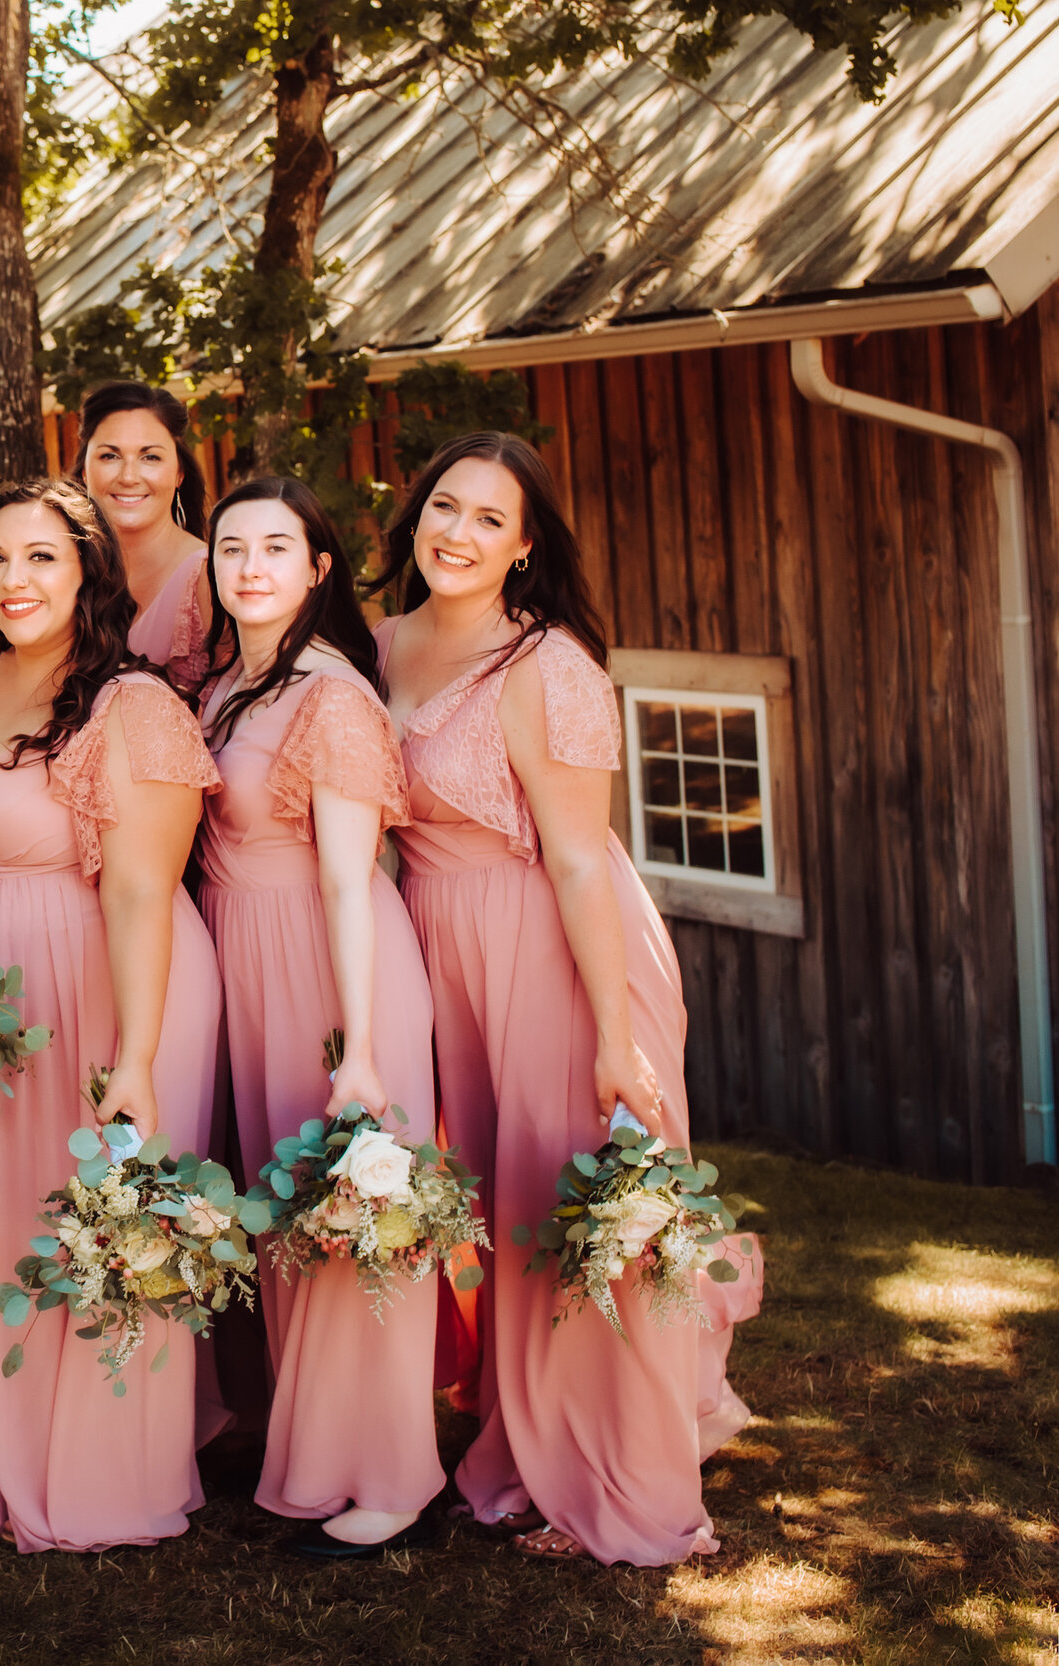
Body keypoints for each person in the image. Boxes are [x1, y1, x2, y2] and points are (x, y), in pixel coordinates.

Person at [372, 432, 761, 1566]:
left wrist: (617, 1032)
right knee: (496, 1205)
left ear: (526, 545)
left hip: (554, 944)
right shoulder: (380, 645)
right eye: (445, 508)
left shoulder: (549, 667)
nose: (458, 533)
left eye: (490, 520)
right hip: (441, 946)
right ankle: (523, 1429)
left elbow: (584, 860)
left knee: (565, 1204)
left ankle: (614, 1476)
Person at [0, 477, 222, 1552]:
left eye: (43, 556)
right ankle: (13, 1456)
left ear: (88, 568)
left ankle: (105, 1480)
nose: (15, 578)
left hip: (93, 989)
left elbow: (139, 889)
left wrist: (133, 1055)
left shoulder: (127, 702)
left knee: (89, 1227)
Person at [193, 476, 443, 1558]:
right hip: (251, 960)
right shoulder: (231, 683)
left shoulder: (330, 697)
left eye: (274, 547)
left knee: (352, 1214)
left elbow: (352, 878)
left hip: (330, 965)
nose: (249, 566)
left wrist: (366, 1048)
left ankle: (395, 1469)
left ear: (317, 567)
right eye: (231, 546)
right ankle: (313, 1445)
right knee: (292, 1216)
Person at [74, 381, 211, 689]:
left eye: (150, 457)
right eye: (110, 456)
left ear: (179, 474)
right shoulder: (59, 565)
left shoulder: (208, 577)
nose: (128, 477)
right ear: (84, 471)